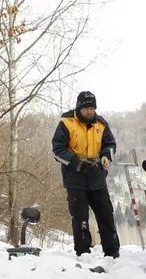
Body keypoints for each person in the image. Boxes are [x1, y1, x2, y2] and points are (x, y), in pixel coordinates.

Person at [51, 91, 120, 258]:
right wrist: (77, 162)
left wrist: (106, 156)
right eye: (87, 108)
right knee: (80, 217)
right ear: (79, 107)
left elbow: (110, 144)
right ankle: (83, 253)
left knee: (105, 214)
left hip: (97, 174)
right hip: (75, 175)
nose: (90, 111)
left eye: (92, 107)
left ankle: (112, 252)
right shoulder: (66, 123)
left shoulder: (101, 123)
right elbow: (57, 150)